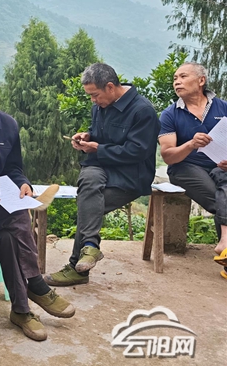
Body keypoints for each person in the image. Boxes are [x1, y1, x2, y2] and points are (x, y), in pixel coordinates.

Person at [0, 69, 75, 342]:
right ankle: (36, 283)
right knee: (18, 214)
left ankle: (21, 310)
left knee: (10, 238)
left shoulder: (7, 125)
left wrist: (23, 184)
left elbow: (14, 168)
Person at [45, 63, 160, 286]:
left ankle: (77, 268)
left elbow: (138, 151)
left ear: (110, 87)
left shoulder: (142, 111)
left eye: (95, 95)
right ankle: (90, 248)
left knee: (88, 205)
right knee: (88, 181)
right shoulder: (100, 106)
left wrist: (98, 148)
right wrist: (87, 137)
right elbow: (100, 134)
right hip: (100, 166)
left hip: (130, 175)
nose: (93, 101)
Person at [158, 62, 227, 278]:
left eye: (183, 76)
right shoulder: (170, 114)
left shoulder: (223, 108)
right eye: (175, 78)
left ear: (201, 81)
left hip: (220, 168)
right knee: (219, 199)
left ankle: (225, 247)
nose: (177, 82)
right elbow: (168, 155)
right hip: (185, 167)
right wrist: (190, 145)